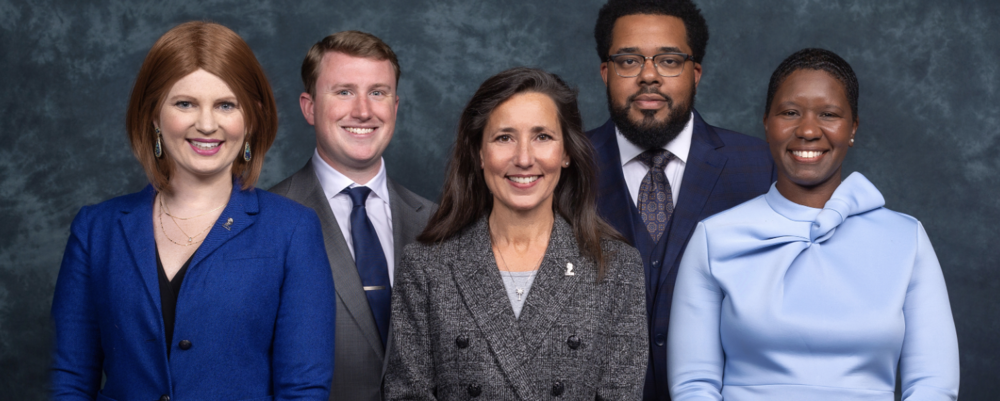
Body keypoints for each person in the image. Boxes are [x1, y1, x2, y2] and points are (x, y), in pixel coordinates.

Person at [50, 21, 336, 400]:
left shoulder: (292, 231)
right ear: (154, 115)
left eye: (226, 105)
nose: (206, 124)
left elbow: (303, 391)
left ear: (250, 119)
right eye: (185, 103)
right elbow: (70, 380)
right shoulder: (96, 230)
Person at [667, 48, 960, 400]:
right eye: (790, 113)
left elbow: (933, 386)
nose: (807, 130)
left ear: (852, 128)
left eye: (829, 114)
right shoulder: (714, 238)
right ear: (766, 123)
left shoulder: (906, 238)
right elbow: (693, 386)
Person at [383, 67, 648, 400]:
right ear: (479, 152)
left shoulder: (615, 267)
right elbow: (407, 394)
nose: (524, 158)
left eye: (542, 137)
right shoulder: (426, 266)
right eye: (504, 137)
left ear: (566, 152)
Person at [588, 1, 775, 398]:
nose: (649, 76)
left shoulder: (761, 168)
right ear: (606, 72)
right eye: (628, 61)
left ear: (696, 73)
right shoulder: (563, 167)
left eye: (669, 60)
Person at [269, 30, 435, 401]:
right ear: (309, 107)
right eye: (344, 91)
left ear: (395, 105)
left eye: (378, 92)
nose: (363, 110)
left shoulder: (437, 223)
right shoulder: (267, 219)